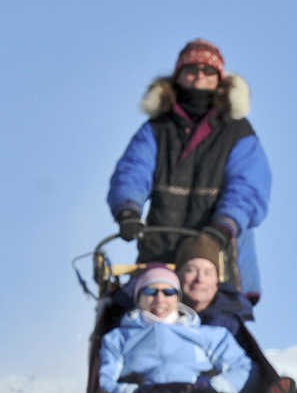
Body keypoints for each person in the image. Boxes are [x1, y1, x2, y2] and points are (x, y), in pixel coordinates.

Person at [107, 38, 272, 307]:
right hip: (162, 253)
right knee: (135, 320)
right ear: (178, 76)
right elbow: (133, 170)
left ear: (219, 80)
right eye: (191, 70)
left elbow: (248, 187)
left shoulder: (238, 132)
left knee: (221, 331)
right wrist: (128, 209)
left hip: (220, 257)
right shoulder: (157, 128)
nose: (199, 77)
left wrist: (225, 225)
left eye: (207, 71)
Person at [95, 266, 253, 393]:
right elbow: (104, 379)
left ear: (177, 298)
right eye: (150, 291)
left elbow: (243, 368)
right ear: (138, 298)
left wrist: (215, 387)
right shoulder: (118, 338)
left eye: (168, 292)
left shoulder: (209, 335)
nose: (159, 298)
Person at [172, 232, 253, 331]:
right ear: (177, 276)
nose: (200, 279)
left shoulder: (232, 330)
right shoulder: (157, 317)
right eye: (191, 270)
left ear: (217, 281)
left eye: (207, 273)